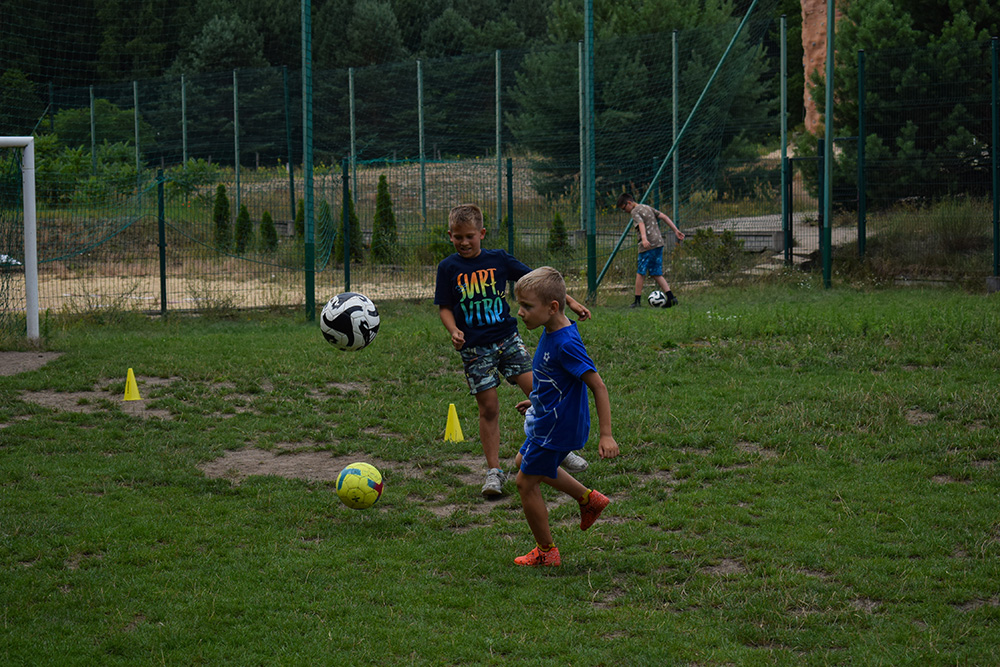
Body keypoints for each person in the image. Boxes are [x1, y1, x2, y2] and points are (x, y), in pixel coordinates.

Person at [435, 204, 592, 497]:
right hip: (475, 349)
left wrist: (570, 301)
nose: (464, 242)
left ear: (482, 233)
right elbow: (445, 307)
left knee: (540, 392)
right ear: (450, 235)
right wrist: (453, 330)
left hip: (507, 339)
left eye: (470, 236)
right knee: (489, 408)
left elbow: (542, 284)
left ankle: (559, 448)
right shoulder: (448, 268)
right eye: (457, 237)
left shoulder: (499, 259)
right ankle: (494, 472)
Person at [510, 266, 619, 567]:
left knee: (525, 482)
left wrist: (606, 434)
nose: (520, 312)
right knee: (522, 462)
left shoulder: (566, 343)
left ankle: (546, 552)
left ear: (552, 307)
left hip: (556, 428)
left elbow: (598, 385)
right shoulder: (552, 329)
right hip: (548, 418)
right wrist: (537, 398)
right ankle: (588, 499)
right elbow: (557, 378)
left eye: (527, 306)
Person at [616, 192, 685, 308]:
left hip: (647, 245)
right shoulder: (646, 207)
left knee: (640, 272)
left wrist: (644, 239)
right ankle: (671, 298)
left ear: (629, 203)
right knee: (656, 273)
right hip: (658, 243)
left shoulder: (634, 211)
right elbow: (663, 216)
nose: (625, 211)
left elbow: (641, 223)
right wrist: (675, 230)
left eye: (624, 208)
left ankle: (637, 301)